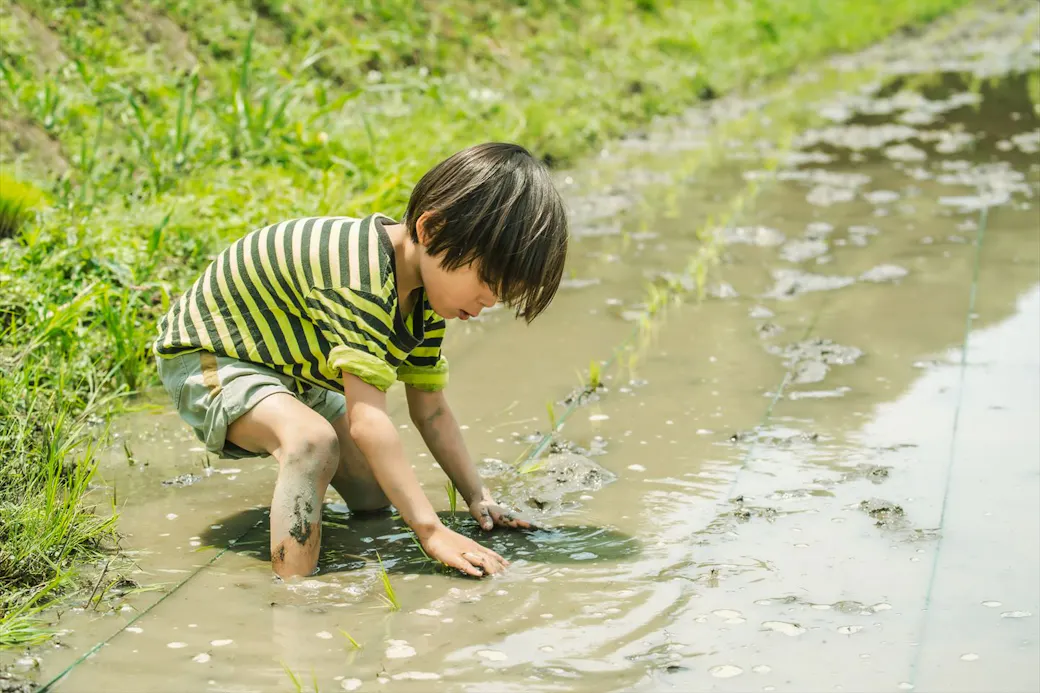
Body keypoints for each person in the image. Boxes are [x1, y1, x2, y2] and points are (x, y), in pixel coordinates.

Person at [152, 142, 569, 579]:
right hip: (213, 357)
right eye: (486, 280)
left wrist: (477, 496)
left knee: (373, 495)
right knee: (312, 443)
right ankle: (295, 595)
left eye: (502, 292)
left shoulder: (424, 299)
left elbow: (431, 410)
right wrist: (430, 531)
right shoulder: (363, 276)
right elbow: (367, 421)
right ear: (431, 230)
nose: (490, 300)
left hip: (293, 371)